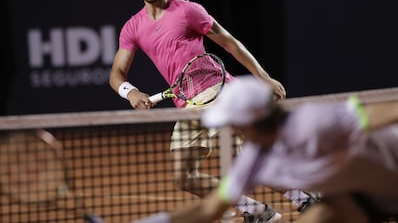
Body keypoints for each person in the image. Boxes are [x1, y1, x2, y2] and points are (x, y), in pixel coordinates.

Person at [108, 0, 316, 223]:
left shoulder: (188, 11)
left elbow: (230, 42)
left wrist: (263, 77)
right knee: (183, 176)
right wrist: (131, 92)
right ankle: (256, 211)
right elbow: (116, 74)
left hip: (219, 94)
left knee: (249, 163)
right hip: (187, 105)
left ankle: (304, 199)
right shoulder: (132, 27)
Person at [132, 75, 398, 223]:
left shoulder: (315, 122)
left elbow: (385, 112)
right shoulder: (254, 159)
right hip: (361, 196)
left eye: (233, 122)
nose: (230, 129)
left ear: (250, 122)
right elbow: (208, 209)